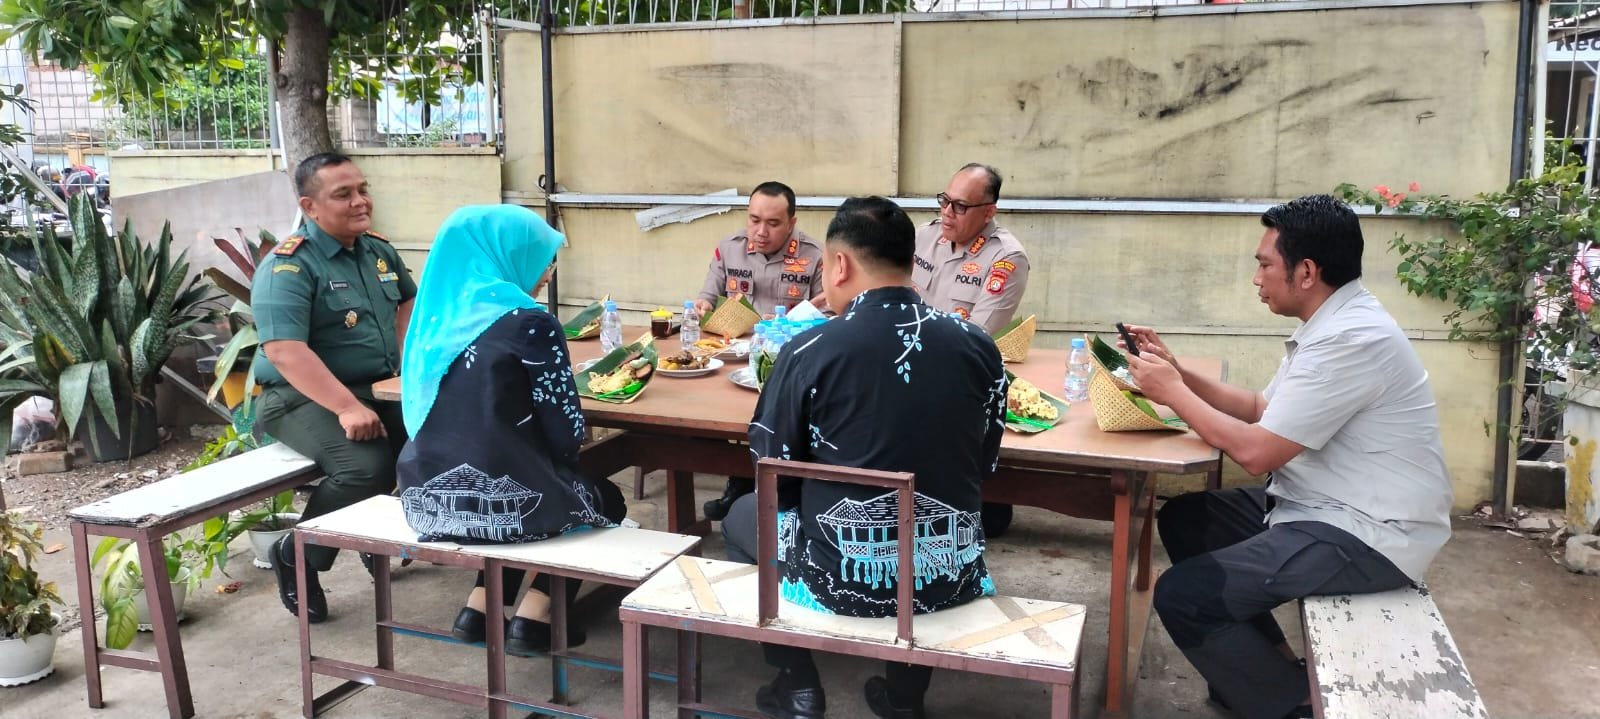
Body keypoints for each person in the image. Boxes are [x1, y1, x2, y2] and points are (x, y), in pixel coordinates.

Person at [1124, 194, 1453, 719]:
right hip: (1318, 503)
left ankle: (1295, 705)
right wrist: (1178, 372)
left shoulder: (1352, 339)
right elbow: (1261, 409)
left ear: (1306, 272)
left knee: (1184, 596)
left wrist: (1173, 393)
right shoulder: (1332, 323)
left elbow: (1256, 452)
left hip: (1370, 533)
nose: (1257, 278)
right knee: (1189, 519)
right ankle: (1274, 666)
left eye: (1264, 265)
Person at [720, 196, 1008, 719]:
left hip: (837, 578)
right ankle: (904, 698)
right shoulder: (978, 346)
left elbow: (771, 473)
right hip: (953, 572)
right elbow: (985, 462)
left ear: (839, 265)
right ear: (910, 261)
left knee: (742, 516)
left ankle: (797, 684)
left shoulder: (809, 350)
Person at [396, 204, 627, 655]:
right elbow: (566, 432)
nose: (546, 274)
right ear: (505, 255)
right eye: (541, 259)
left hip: (424, 499)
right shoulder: (530, 323)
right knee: (602, 498)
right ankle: (535, 616)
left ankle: (480, 609)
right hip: (512, 507)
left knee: (515, 477)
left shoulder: (433, 320)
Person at [254, 153, 416, 623]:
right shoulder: (288, 267)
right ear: (310, 206)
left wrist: (408, 367)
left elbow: (409, 303)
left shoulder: (376, 250)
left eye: (363, 189)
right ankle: (298, 553)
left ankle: (365, 530)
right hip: (299, 395)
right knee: (364, 468)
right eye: (343, 194)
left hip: (376, 388)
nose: (360, 201)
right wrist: (346, 407)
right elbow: (285, 351)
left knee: (431, 439)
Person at [911, 163, 1029, 538]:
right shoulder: (923, 236)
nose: (947, 212)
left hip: (957, 379)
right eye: (944, 201)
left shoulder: (1005, 258)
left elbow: (974, 338)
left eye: (960, 206)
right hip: (906, 366)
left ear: (989, 211)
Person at [699, 181, 825, 523]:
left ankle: (766, 490)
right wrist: (701, 307)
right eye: (754, 220)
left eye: (773, 223)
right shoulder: (729, 249)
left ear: (792, 222)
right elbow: (707, 297)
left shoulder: (814, 256)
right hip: (734, 362)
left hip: (789, 365)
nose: (761, 232)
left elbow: (828, 314)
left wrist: (789, 323)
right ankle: (738, 483)